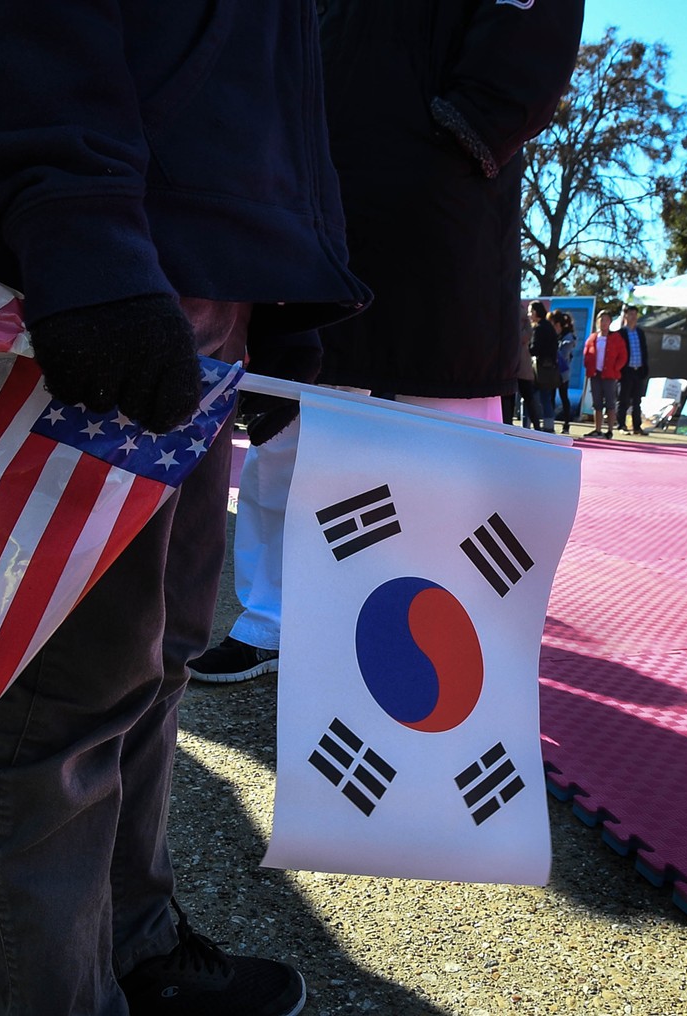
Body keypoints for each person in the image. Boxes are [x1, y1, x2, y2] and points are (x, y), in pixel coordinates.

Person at [0, 1, 371, 1013]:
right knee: (67, 685)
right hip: (111, 257)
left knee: (163, 647)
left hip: (203, 268)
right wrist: (70, 221)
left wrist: (282, 294)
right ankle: (61, 990)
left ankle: (130, 937)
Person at [188, 0, 585, 683]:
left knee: (437, 437)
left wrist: (462, 133)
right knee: (290, 424)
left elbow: (528, 44)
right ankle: (270, 620)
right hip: (315, 189)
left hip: (435, 200)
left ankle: (435, 630)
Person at [582, 310, 628, 440]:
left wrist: (615, 368)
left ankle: (609, 430)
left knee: (610, 402)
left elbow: (623, 356)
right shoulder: (593, 338)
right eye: (601, 320)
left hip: (609, 375)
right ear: (597, 322)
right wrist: (589, 367)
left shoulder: (616, 338)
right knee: (597, 402)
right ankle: (597, 429)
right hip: (595, 374)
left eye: (606, 320)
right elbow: (587, 354)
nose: (604, 323)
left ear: (610, 322)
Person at [614, 305, 653, 435]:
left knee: (637, 400)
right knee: (623, 400)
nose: (633, 317)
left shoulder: (640, 332)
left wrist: (644, 368)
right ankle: (621, 425)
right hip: (626, 371)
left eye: (635, 314)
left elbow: (644, 351)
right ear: (625, 316)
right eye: (630, 314)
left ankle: (637, 426)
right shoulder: (621, 333)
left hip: (638, 370)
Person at [528, 300, 562, 432]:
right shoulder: (549, 327)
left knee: (530, 398)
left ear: (536, 312)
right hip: (550, 368)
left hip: (539, 369)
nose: (529, 314)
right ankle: (549, 426)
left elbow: (535, 349)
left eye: (531, 311)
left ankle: (528, 425)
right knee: (546, 399)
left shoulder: (538, 328)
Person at [550, 309, 579, 432]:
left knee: (563, 396)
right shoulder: (554, 336)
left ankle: (566, 424)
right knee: (550, 397)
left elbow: (563, 354)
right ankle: (549, 423)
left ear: (558, 325)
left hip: (562, 372)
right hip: (551, 371)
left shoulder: (568, 337)